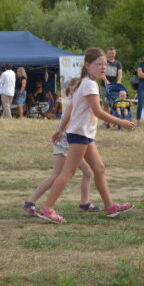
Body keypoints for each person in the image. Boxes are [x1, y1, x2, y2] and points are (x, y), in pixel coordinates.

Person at [34, 48, 135, 224]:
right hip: (80, 134)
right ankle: (47, 208)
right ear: (88, 65)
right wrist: (122, 122)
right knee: (68, 172)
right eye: (98, 64)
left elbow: (72, 108)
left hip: (84, 134)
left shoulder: (84, 82)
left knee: (99, 168)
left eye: (105, 64)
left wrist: (60, 128)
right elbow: (98, 111)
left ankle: (110, 206)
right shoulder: (89, 84)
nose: (103, 67)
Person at [24, 77, 98, 215]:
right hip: (66, 145)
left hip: (71, 144)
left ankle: (85, 203)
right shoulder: (74, 104)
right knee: (56, 176)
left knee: (88, 172)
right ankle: (30, 202)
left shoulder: (79, 104)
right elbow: (65, 125)